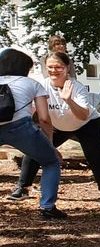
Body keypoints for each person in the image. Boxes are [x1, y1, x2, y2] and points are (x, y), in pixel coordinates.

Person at [11, 51, 100, 205]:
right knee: (34, 148)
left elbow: (83, 115)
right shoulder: (41, 86)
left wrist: (68, 100)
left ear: (67, 68)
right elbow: (31, 112)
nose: (53, 70)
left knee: (94, 154)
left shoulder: (77, 87)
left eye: (58, 67)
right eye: (50, 67)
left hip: (86, 124)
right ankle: (22, 187)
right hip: (57, 125)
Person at [0, 48, 66, 219]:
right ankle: (47, 207)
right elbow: (44, 118)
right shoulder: (32, 84)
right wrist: (50, 145)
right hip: (20, 128)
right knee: (51, 162)